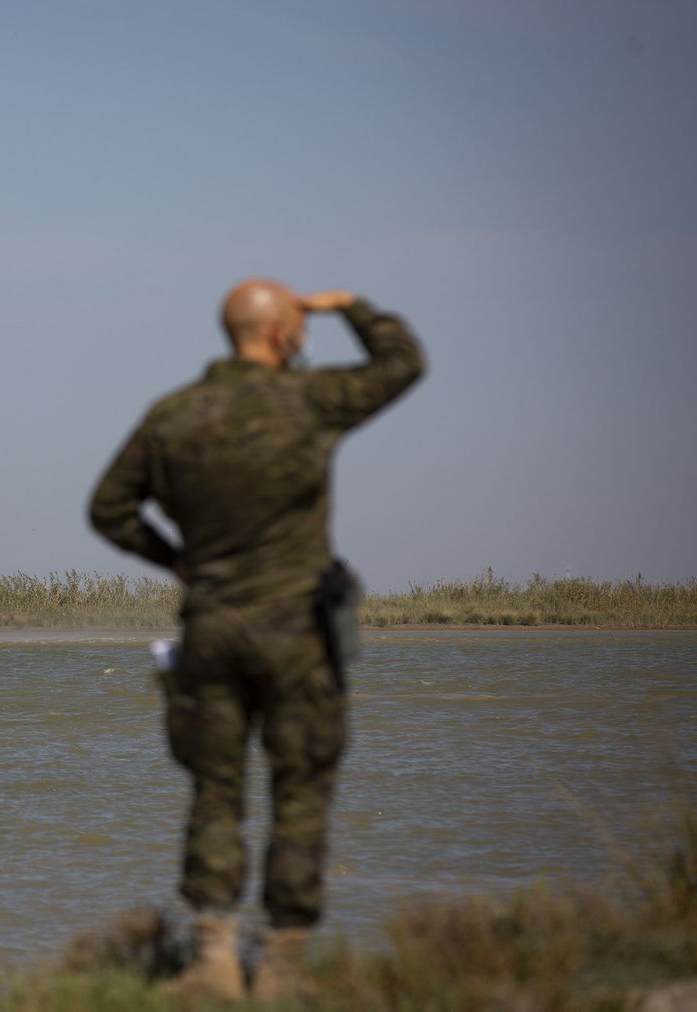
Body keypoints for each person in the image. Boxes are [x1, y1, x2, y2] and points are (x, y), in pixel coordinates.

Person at [87, 279, 424, 999]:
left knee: (215, 791)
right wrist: (350, 308)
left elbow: (107, 510)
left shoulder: (172, 416)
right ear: (280, 334)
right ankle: (282, 965)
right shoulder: (308, 401)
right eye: (295, 326)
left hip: (211, 629)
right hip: (298, 631)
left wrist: (173, 558)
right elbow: (403, 364)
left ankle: (211, 959)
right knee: (301, 790)